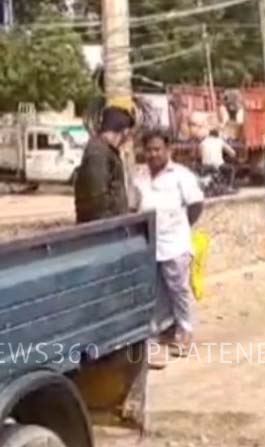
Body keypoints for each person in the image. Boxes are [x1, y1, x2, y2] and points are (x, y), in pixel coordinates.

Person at [134, 129, 205, 361]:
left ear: (168, 150)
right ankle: (162, 331)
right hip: (149, 245)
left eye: (157, 149)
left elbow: (195, 206)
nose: (153, 154)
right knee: (155, 291)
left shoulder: (181, 176)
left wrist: (182, 227)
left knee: (178, 290)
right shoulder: (139, 177)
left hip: (175, 244)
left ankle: (185, 331)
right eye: (149, 149)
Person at [75, 106, 135, 223]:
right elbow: (97, 199)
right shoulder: (98, 153)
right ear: (124, 132)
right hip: (104, 231)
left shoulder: (105, 151)